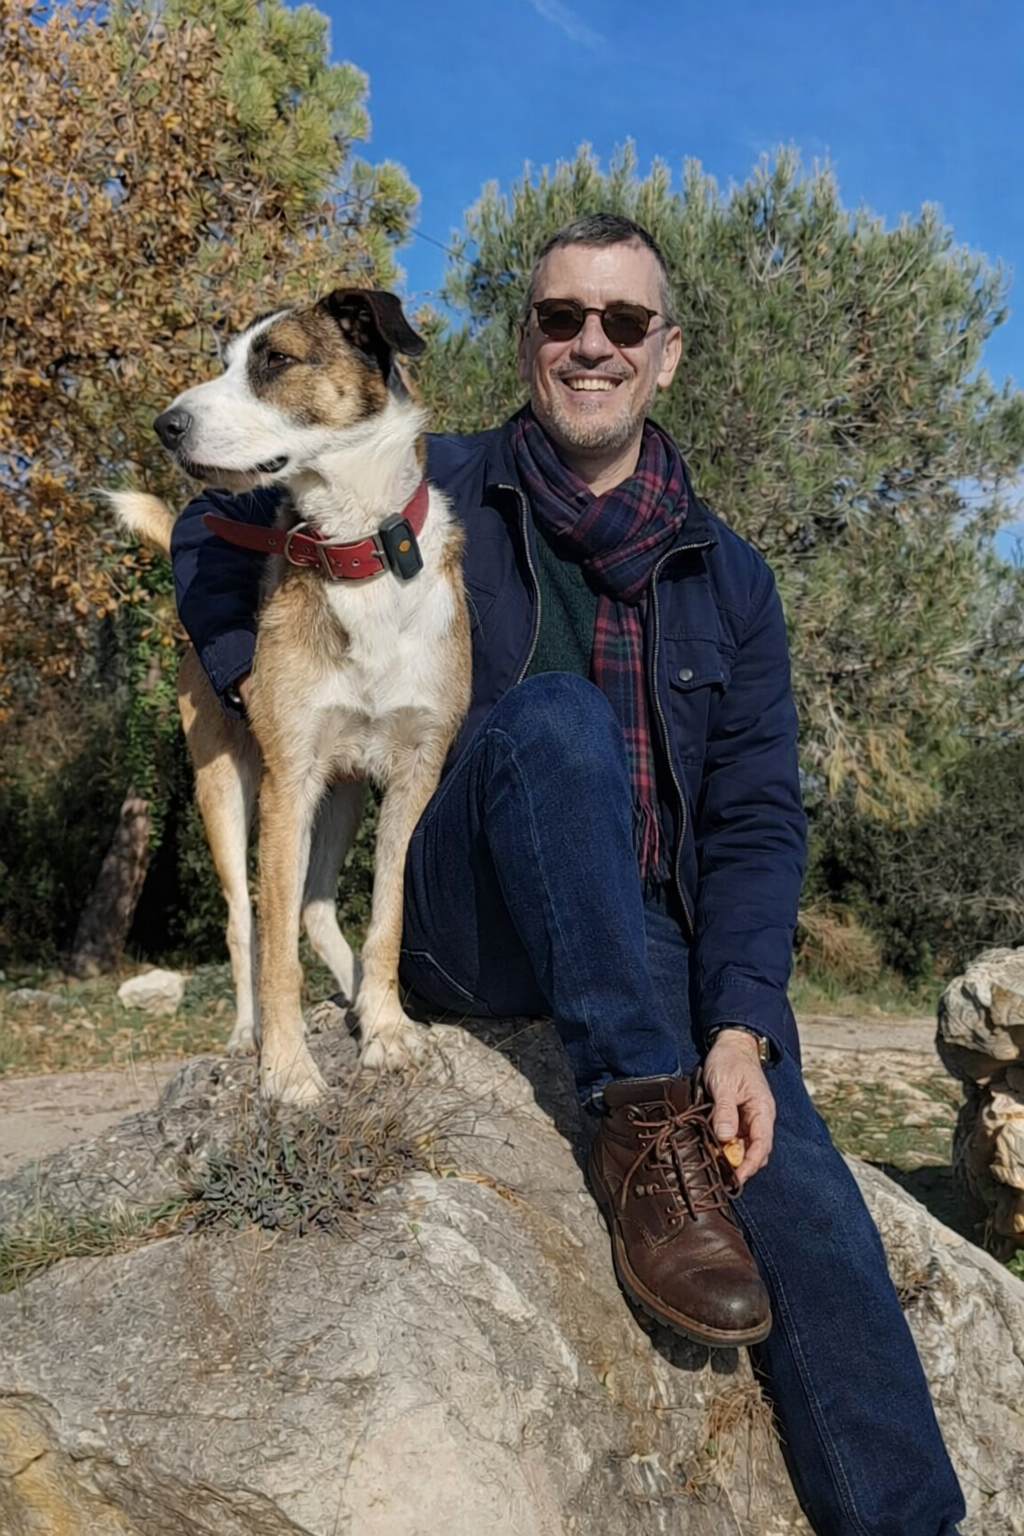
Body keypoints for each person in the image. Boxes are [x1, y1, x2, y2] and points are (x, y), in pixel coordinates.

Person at [171, 213, 965, 1535]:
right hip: (468, 907)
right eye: (559, 319)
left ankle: (904, 1519)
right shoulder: (434, 480)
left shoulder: (735, 581)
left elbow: (760, 820)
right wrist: (256, 678)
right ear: (527, 342)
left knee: (810, 1203)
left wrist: (743, 1024)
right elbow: (213, 533)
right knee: (553, 720)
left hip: (653, 930)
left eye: (624, 324)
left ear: (668, 357)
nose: (589, 345)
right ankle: (638, 1124)